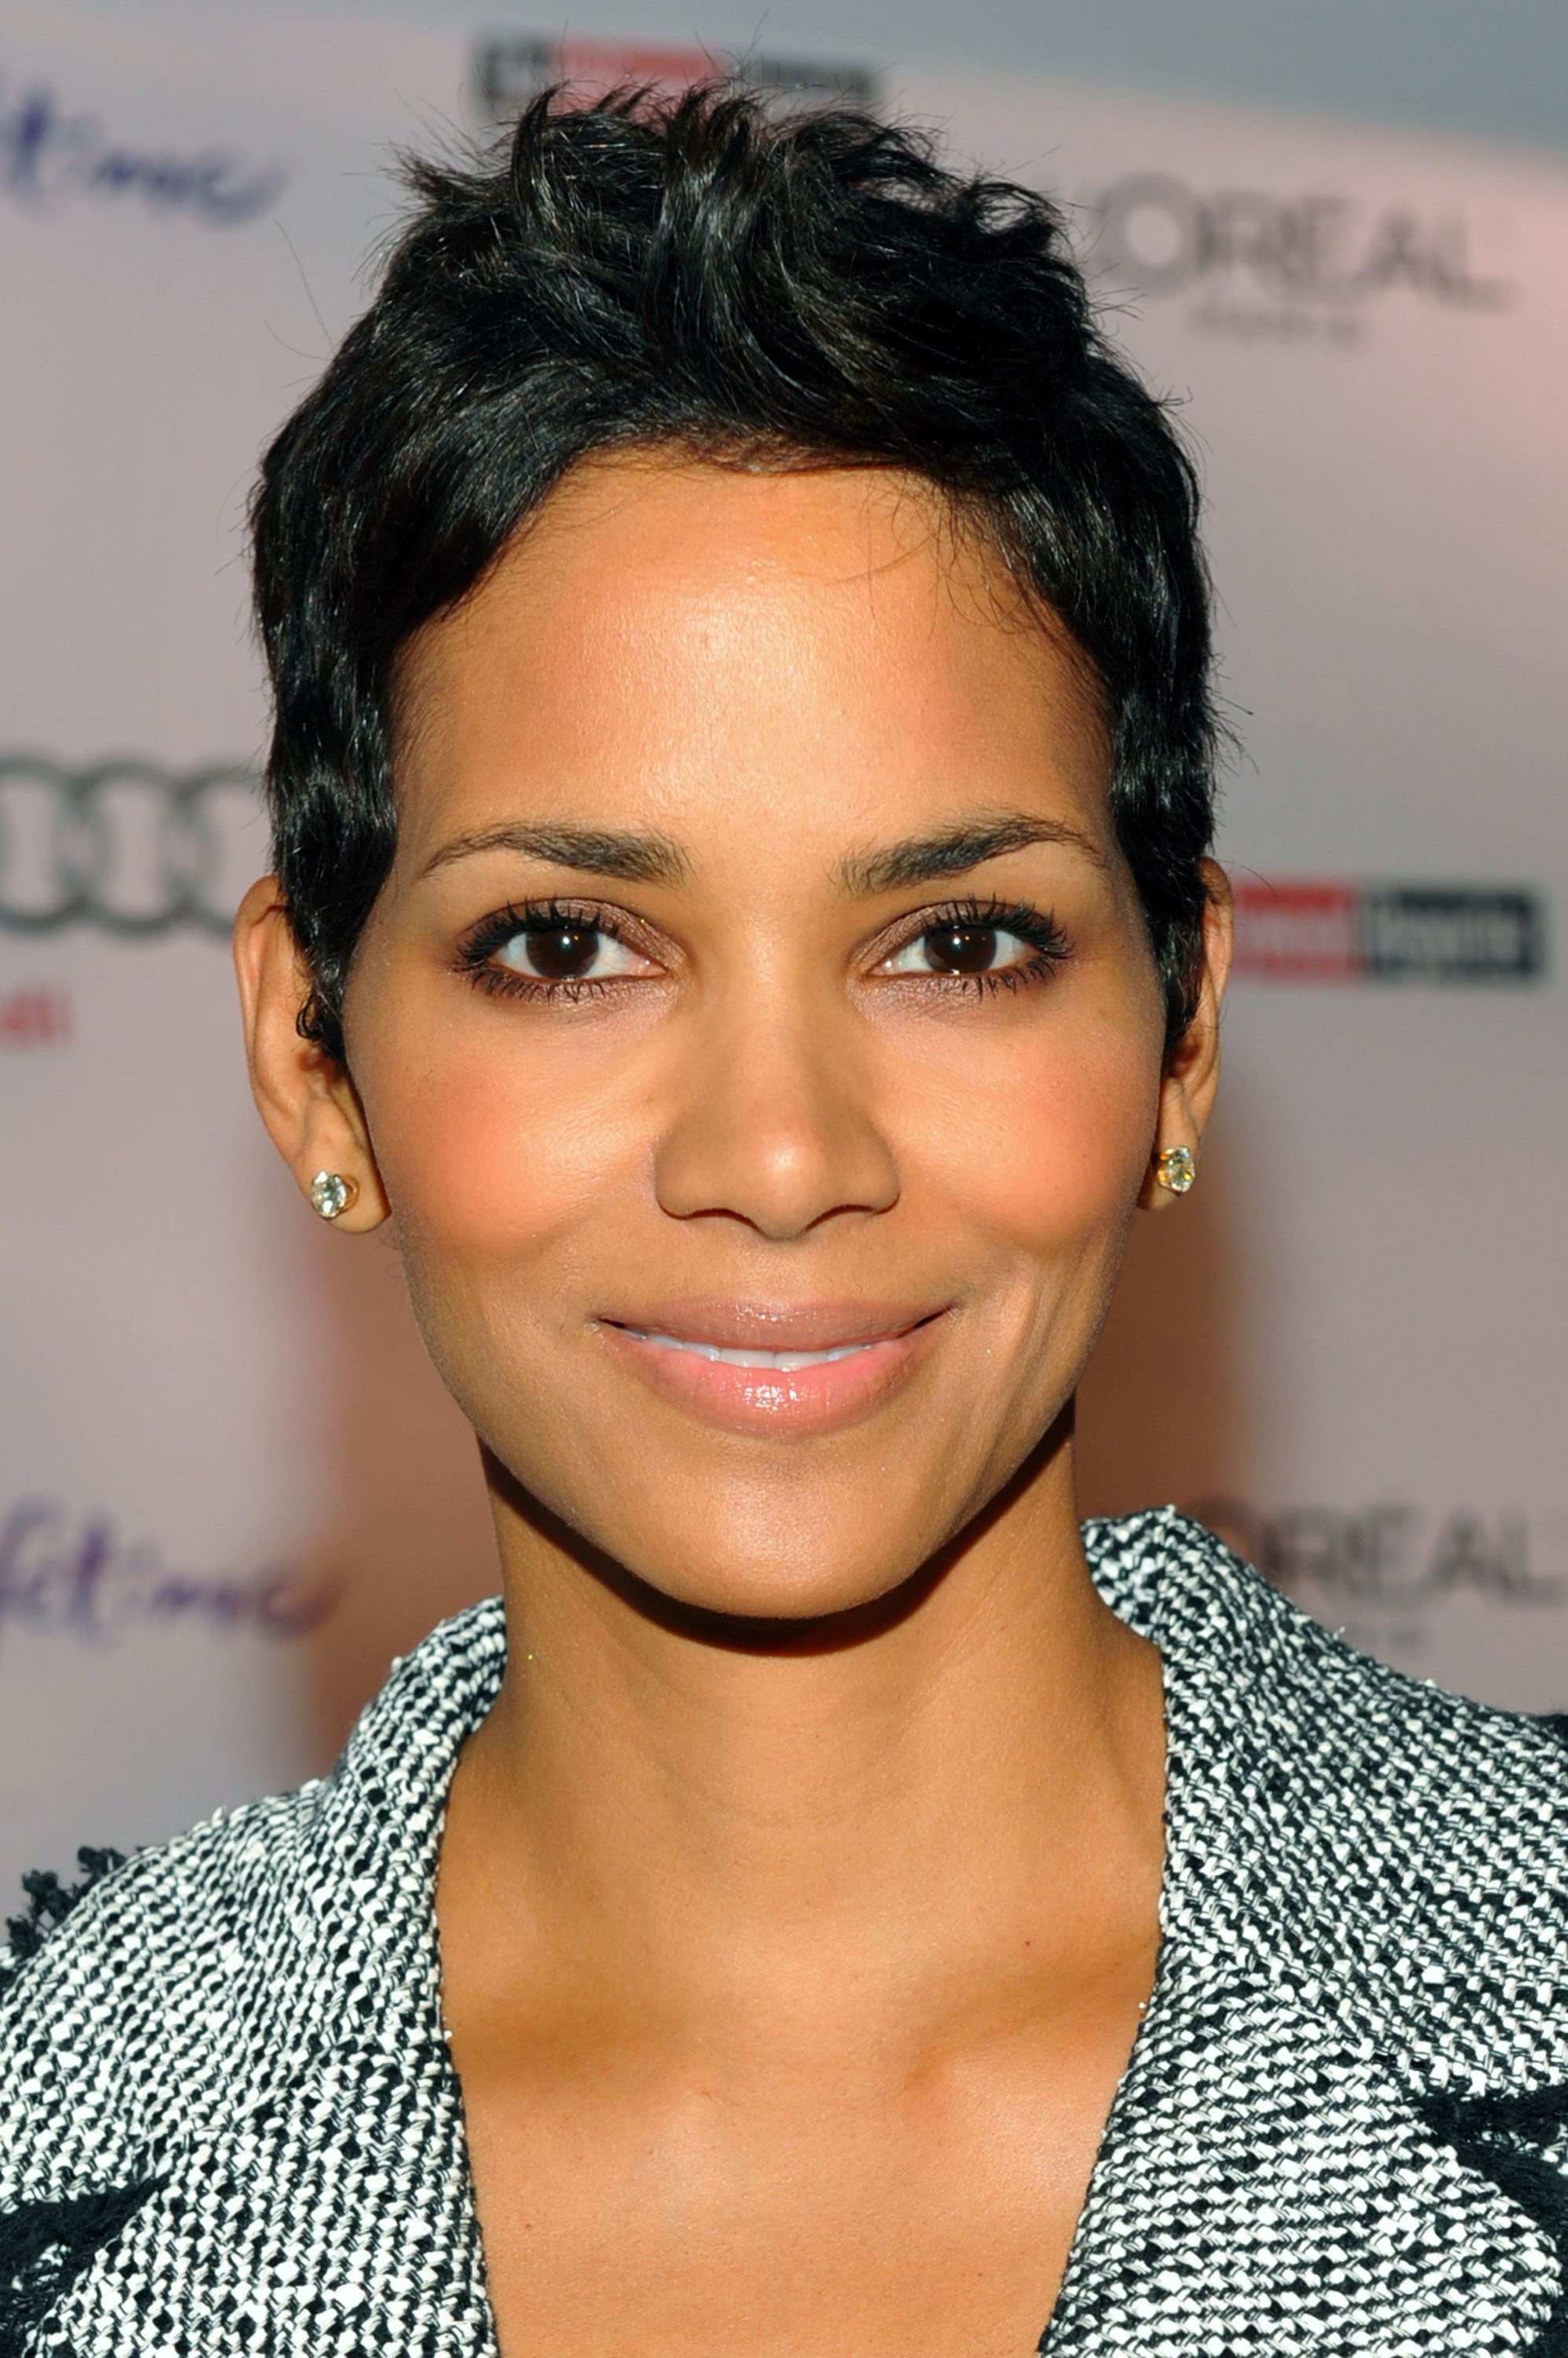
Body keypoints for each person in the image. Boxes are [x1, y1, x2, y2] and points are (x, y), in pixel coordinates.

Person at [2, 85, 1564, 2358]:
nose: (777, 1150)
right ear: (311, 1054)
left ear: (1183, 1030)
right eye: (566, 947)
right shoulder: (47, 2143)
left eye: (958, 943)